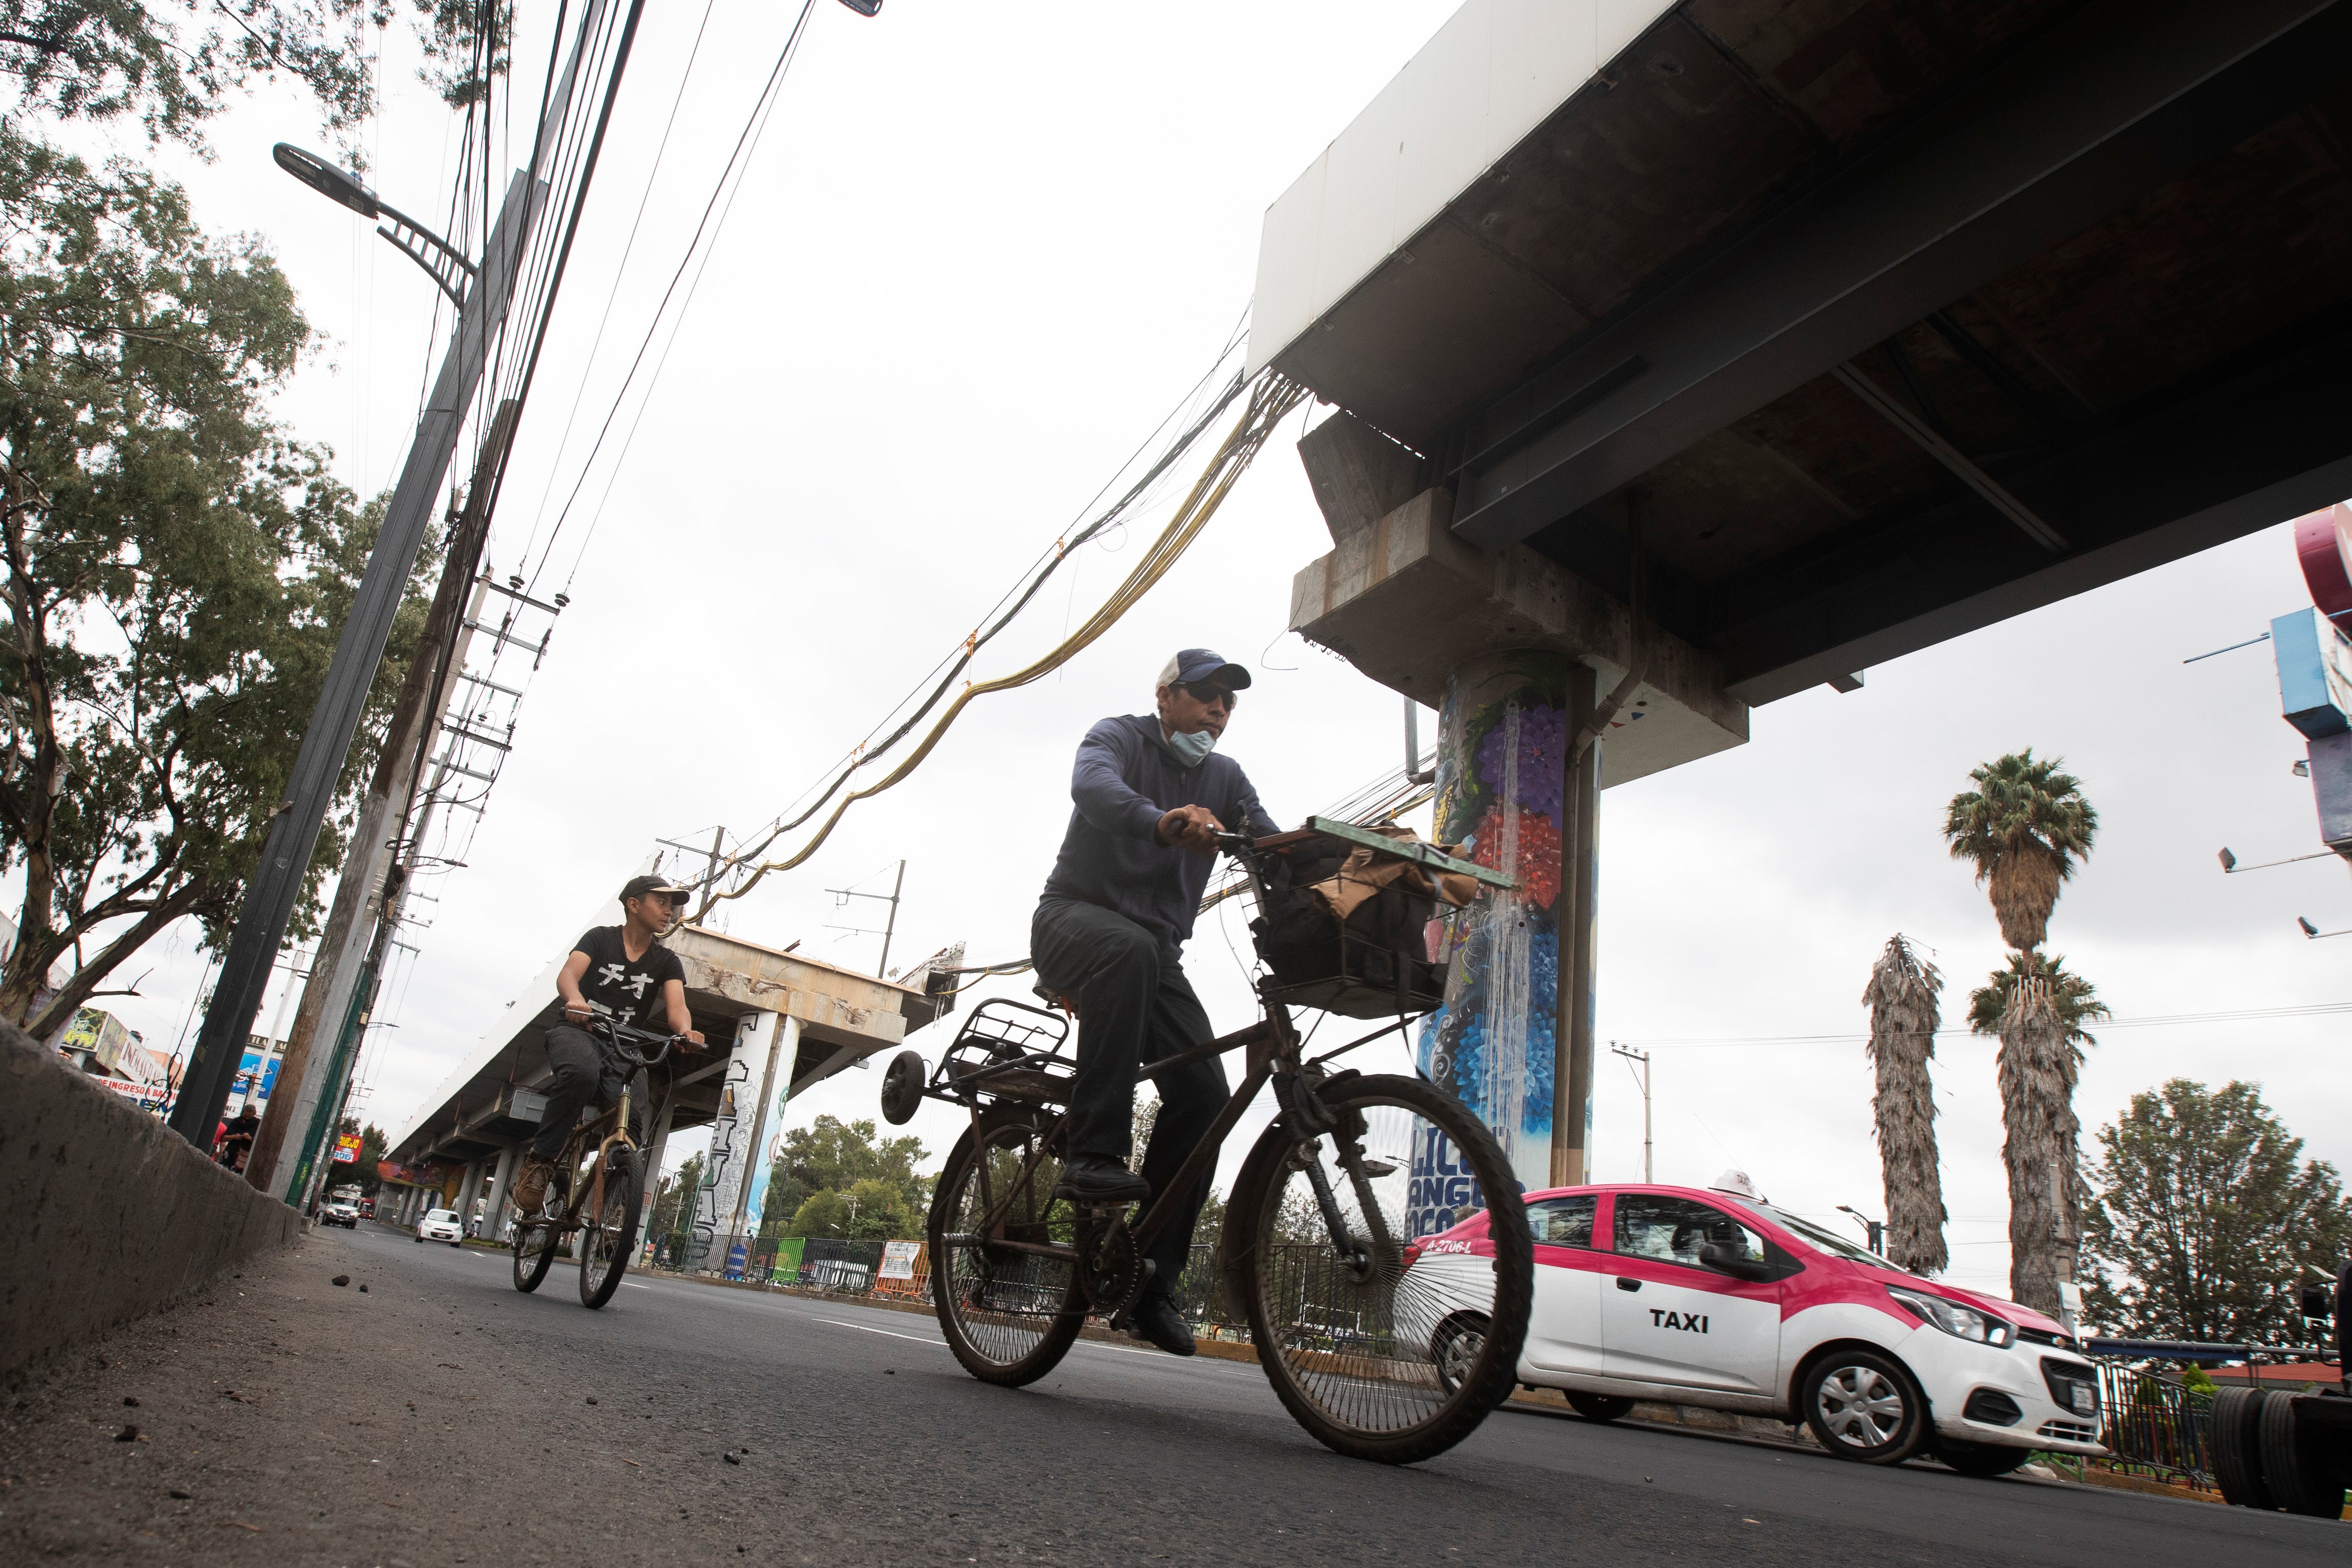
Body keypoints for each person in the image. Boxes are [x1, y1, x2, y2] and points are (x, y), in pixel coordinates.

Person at [1032, 649, 1279, 1357]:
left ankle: (1148, 1282)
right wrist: (1162, 821)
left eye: (1228, 704)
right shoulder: (1117, 737)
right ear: (1165, 695)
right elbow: (1093, 788)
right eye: (1205, 696)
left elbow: (1267, 836)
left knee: (1206, 1093)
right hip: (1072, 920)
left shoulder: (1225, 778)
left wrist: (1352, 859)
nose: (1217, 712)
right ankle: (1092, 1151)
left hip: (1154, 954)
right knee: (1130, 950)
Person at [511, 876, 706, 1214]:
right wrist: (575, 1000)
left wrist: (686, 1031)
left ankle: (615, 1205)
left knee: (630, 1116)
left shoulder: (666, 961)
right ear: (634, 904)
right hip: (579, 1030)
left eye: (672, 905)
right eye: (661, 902)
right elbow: (568, 974)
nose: (669, 911)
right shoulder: (600, 938)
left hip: (624, 1043)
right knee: (581, 1074)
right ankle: (540, 1162)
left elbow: (677, 1008)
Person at [215, 1105, 261, 1171]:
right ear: (243, 1113)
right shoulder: (236, 1121)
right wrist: (234, 1137)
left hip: (246, 1153)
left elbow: (260, 1142)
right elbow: (224, 1138)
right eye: (246, 1116)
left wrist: (250, 1138)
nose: (247, 1118)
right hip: (232, 1150)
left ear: (254, 1115)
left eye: (250, 1117)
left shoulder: (258, 1124)